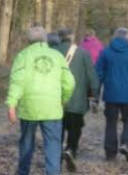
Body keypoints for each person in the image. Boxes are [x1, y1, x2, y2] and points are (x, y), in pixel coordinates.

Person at [6, 26, 75, 175]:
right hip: (52, 109)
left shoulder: (22, 56)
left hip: (29, 109)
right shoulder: (57, 56)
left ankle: (23, 172)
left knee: (26, 144)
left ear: (28, 40)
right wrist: (64, 99)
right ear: (45, 39)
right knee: (53, 146)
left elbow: (17, 82)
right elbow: (69, 82)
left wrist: (12, 105)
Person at [96, 27, 128, 163]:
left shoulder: (105, 52)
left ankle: (110, 154)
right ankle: (126, 145)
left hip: (110, 96)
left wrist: (94, 95)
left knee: (111, 123)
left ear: (114, 36)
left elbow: (98, 75)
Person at [57, 28, 99, 172]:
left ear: (59, 37)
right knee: (75, 128)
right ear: (72, 37)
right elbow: (91, 76)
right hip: (78, 99)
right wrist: (94, 95)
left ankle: (56, 154)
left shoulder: (52, 51)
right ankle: (71, 149)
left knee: (58, 128)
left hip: (56, 100)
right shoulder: (83, 53)